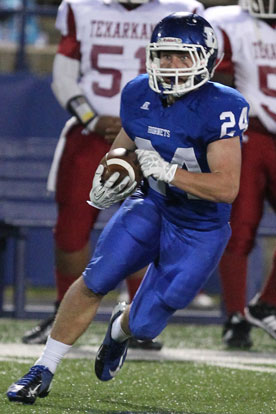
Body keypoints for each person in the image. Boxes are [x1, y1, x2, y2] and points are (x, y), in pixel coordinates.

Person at [7, 12, 249, 405]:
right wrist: (110, 176)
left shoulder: (222, 105)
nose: (171, 66)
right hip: (150, 206)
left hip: (200, 228)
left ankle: (119, 330)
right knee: (94, 279)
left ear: (207, 59)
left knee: (147, 324)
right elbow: (123, 146)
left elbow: (226, 188)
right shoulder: (138, 92)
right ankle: (42, 368)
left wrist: (170, 172)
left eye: (182, 57)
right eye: (165, 55)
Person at [21, 0, 205, 347]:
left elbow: (197, 75)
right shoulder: (81, 7)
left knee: (146, 227)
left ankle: (135, 320)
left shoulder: (183, 10)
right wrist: (93, 118)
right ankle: (64, 311)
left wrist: (153, 121)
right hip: (92, 132)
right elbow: (62, 77)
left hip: (158, 136)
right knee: (72, 229)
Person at [205, 0, 276, 349]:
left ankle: (266, 303)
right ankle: (236, 315)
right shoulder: (227, 21)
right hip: (250, 132)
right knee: (240, 224)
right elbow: (216, 81)